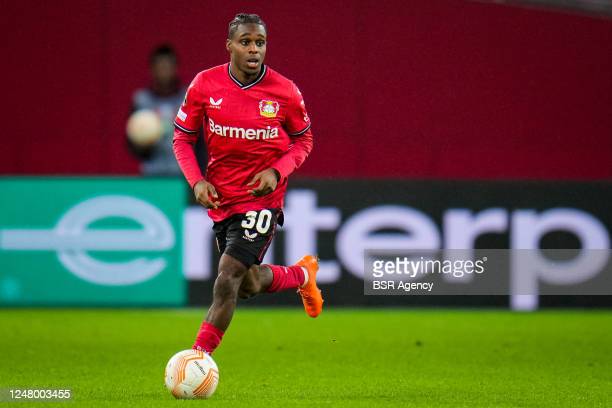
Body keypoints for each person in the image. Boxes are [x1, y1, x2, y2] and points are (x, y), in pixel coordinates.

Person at [173, 13, 323, 355]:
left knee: (228, 275)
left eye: (260, 43)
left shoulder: (285, 91)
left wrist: (276, 172)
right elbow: (182, 138)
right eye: (246, 42)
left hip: (262, 200)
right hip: (222, 199)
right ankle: (302, 275)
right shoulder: (205, 85)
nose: (254, 49)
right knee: (248, 283)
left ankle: (197, 358)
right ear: (230, 46)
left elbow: (304, 140)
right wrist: (196, 181)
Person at [128, 44, 186, 176]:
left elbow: (200, 142)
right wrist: (143, 144)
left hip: (182, 176)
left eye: (167, 67)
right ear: (152, 69)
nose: (164, 72)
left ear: (175, 68)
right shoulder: (142, 101)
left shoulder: (187, 98)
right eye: (160, 67)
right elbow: (131, 143)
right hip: (151, 174)